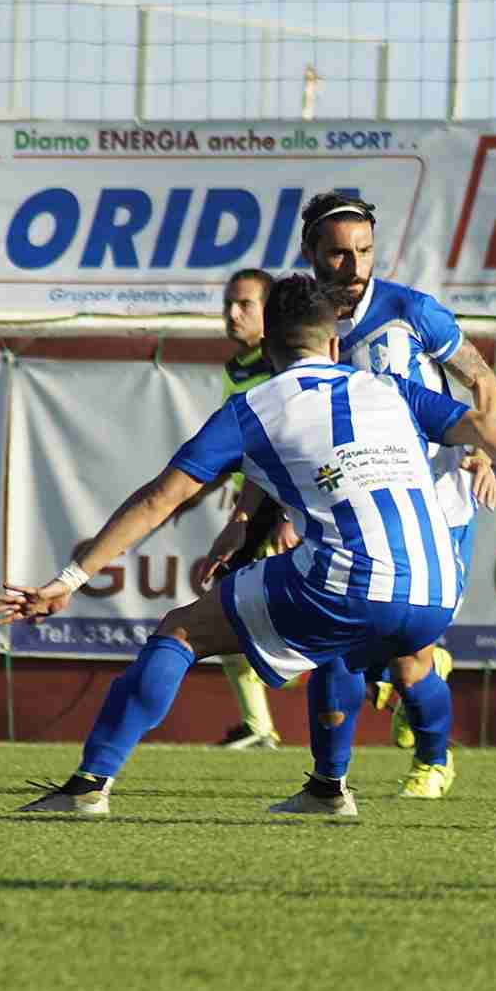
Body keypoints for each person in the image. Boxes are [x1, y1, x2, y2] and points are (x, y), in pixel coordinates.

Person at [0, 275, 496, 816]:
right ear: (335, 345)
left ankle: (87, 786)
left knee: (182, 632)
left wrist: (69, 580)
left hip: (353, 582)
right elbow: (484, 424)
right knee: (336, 641)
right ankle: (327, 789)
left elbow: (160, 499)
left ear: (268, 349)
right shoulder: (389, 389)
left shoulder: (251, 409)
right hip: (440, 587)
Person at [216, 193, 496, 797]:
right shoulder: (299, 329)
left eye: (365, 252)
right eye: (339, 254)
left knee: (407, 654)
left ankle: (431, 761)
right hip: (345, 504)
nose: (354, 267)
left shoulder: (411, 312)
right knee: (343, 644)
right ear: (310, 255)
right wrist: (254, 515)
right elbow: (284, 432)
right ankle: (330, 782)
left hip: (434, 503)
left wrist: (481, 448)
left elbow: (483, 380)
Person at [206, 267, 298, 749]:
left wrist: (286, 515)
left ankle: (405, 667)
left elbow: (289, 443)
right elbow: (239, 444)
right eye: (229, 303)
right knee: (227, 607)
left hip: (282, 505)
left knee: (305, 620)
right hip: (253, 507)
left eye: (245, 305)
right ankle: (258, 725)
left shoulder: (280, 366)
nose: (232, 313)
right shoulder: (236, 369)